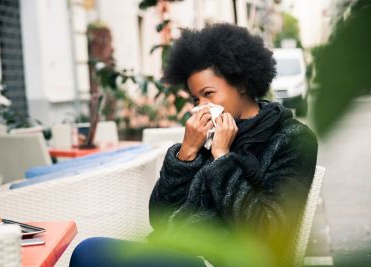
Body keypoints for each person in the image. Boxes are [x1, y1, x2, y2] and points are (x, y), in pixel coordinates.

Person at [70, 23, 318, 267]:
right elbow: (160, 218)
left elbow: (268, 230)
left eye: (208, 94)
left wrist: (222, 158)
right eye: (195, 98)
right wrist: (186, 154)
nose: (200, 106)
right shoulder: (206, 135)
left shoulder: (291, 139)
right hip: (178, 251)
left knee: (90, 253)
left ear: (242, 84)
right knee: (88, 250)